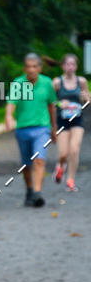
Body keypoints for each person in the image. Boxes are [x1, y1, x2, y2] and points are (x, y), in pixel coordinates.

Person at [5, 52, 58, 207]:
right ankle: (29, 190)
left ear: (40, 68)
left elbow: (51, 106)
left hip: (42, 128)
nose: (31, 70)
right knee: (26, 165)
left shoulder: (47, 83)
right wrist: (8, 116)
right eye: (28, 67)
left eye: (34, 66)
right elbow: (11, 102)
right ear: (24, 68)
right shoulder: (18, 83)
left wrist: (54, 128)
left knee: (39, 160)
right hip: (23, 129)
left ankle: (37, 193)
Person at [52, 53, 89, 191]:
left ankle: (70, 180)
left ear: (76, 66)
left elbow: (88, 101)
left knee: (74, 150)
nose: (70, 67)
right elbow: (49, 100)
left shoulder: (81, 82)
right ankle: (60, 166)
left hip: (77, 119)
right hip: (62, 120)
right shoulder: (57, 82)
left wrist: (86, 97)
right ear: (63, 66)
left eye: (73, 64)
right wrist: (60, 103)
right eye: (67, 64)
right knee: (63, 153)